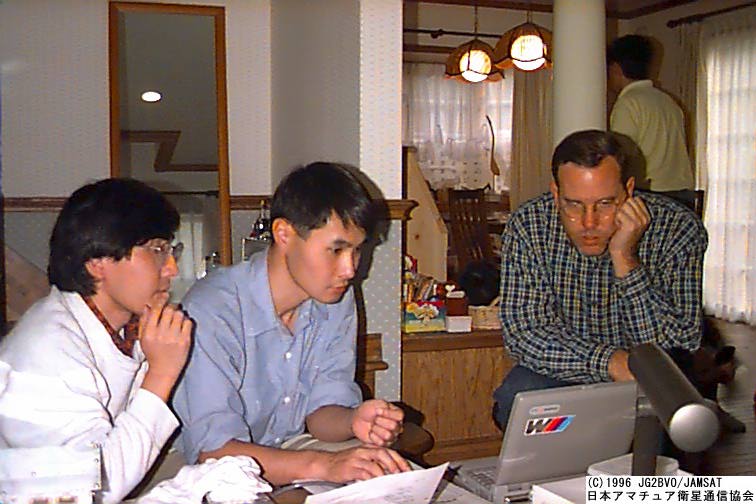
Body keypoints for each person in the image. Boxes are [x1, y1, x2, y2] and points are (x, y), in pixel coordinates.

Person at [173, 162, 409, 485]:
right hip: (208, 471)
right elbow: (215, 453)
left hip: (289, 452)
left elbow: (322, 412)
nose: (350, 270)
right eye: (336, 250)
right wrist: (325, 465)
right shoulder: (212, 309)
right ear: (284, 234)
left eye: (356, 251)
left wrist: (353, 419)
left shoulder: (336, 298)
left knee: (383, 475)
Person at [492, 130, 707, 427]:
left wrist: (625, 259)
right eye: (573, 204)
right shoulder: (529, 225)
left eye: (605, 204)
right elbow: (524, 334)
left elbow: (678, 346)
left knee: (668, 419)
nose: (589, 222)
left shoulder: (677, 229)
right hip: (566, 368)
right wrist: (610, 362)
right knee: (514, 398)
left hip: (649, 378)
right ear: (555, 193)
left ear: (628, 191)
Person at [0, 179, 192, 503]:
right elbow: (97, 487)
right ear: (97, 263)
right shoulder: (46, 353)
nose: (171, 268)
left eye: (172, 250)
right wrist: (161, 374)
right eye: (157, 250)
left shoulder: (128, 328)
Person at [607, 34, 697, 211]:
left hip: (651, 196)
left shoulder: (628, 103)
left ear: (616, 68)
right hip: (682, 195)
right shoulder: (668, 101)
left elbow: (622, 157)